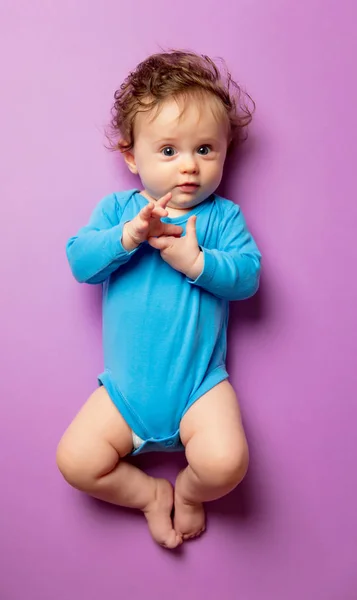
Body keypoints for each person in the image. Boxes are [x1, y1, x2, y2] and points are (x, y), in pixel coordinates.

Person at [56, 50, 262, 549]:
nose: (189, 166)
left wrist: (198, 263)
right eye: (168, 151)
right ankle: (149, 495)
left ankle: (188, 493)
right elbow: (81, 261)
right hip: (125, 395)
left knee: (226, 463)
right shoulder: (119, 210)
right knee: (76, 461)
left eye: (206, 149)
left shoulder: (222, 218)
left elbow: (249, 277)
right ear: (132, 156)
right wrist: (127, 237)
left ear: (225, 150)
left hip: (200, 390)